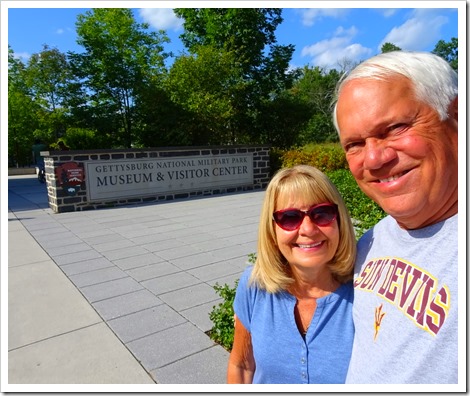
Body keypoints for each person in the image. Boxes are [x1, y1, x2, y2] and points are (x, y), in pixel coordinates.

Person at [332, 51, 458, 384]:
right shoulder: (370, 241)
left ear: (456, 117)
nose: (373, 159)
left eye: (394, 128)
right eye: (355, 144)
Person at [227, 165, 357, 384]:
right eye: (289, 217)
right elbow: (242, 365)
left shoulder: (366, 290)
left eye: (322, 213)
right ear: (272, 230)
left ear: (339, 220)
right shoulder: (254, 285)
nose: (308, 229)